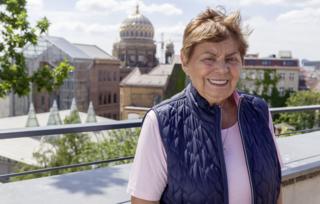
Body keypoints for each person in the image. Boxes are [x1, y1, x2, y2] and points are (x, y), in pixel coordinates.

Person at [127, 7, 283, 204]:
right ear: (185, 61)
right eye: (209, 59)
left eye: (231, 59)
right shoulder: (161, 122)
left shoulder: (259, 111)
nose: (222, 69)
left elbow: (276, 190)